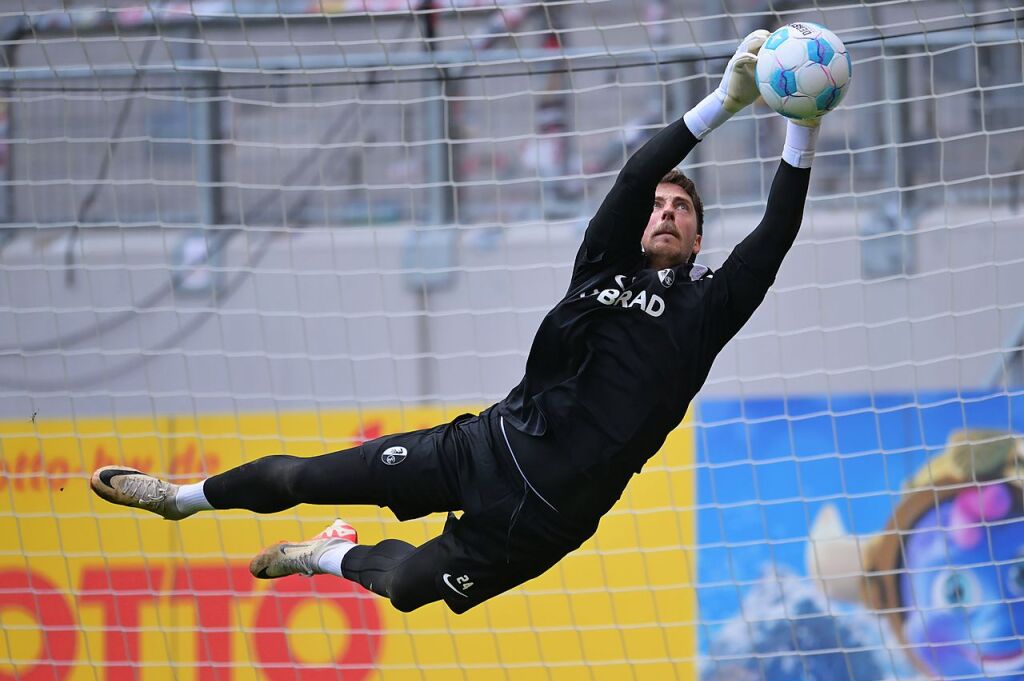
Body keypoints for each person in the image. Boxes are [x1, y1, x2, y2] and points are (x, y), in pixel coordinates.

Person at [91, 30, 823, 615]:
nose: (665, 211)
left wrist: (803, 126)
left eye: (683, 210)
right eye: (661, 207)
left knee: (408, 590)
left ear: (698, 240)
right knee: (308, 473)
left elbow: (778, 232)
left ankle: (320, 555)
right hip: (483, 447)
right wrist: (722, 103)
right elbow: (634, 178)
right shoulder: (602, 264)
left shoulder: (708, 311)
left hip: (543, 524)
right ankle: (179, 500)